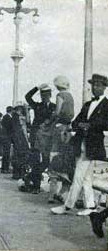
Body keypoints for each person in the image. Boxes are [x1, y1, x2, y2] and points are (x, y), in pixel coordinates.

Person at [51, 74, 108, 216]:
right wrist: (80, 125)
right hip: (80, 144)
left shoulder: (107, 105)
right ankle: (90, 205)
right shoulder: (87, 105)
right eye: (93, 85)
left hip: (92, 145)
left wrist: (89, 125)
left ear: (104, 88)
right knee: (86, 178)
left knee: (78, 176)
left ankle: (67, 206)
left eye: (98, 85)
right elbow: (76, 122)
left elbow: (106, 124)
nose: (95, 88)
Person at [47, 76, 75, 199]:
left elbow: (58, 111)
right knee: (66, 157)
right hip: (68, 128)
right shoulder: (70, 96)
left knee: (54, 155)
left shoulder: (60, 95)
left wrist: (51, 118)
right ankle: (62, 194)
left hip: (59, 128)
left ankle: (51, 195)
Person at [11, 104, 30, 180]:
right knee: (20, 155)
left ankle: (19, 172)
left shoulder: (16, 116)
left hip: (21, 136)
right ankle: (19, 172)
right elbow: (27, 121)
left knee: (20, 155)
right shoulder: (16, 116)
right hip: (20, 137)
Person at [1, 106, 13, 174]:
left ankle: (4, 168)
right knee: (6, 153)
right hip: (7, 137)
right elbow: (10, 127)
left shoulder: (5, 117)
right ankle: (5, 168)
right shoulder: (8, 117)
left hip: (5, 137)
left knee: (6, 153)